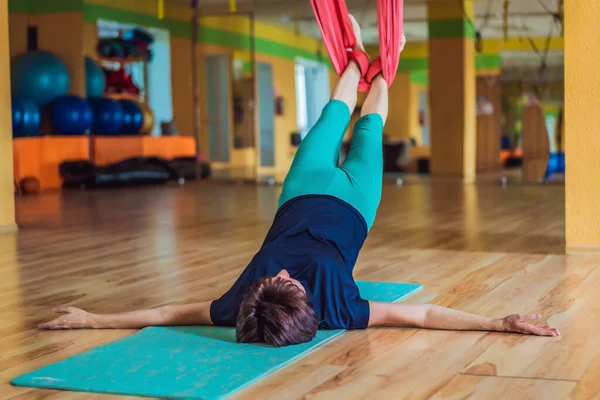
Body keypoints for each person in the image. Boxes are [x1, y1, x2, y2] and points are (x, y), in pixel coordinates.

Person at [40, 17, 560, 346]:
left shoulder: (246, 301)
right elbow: (421, 315)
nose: (282, 272)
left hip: (303, 190)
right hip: (356, 202)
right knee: (370, 126)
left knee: (333, 112)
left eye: (272, 281)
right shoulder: (340, 307)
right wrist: (498, 323)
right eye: (288, 284)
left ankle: (353, 59)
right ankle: (384, 69)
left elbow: (170, 312)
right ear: (306, 303)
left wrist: (93, 319)